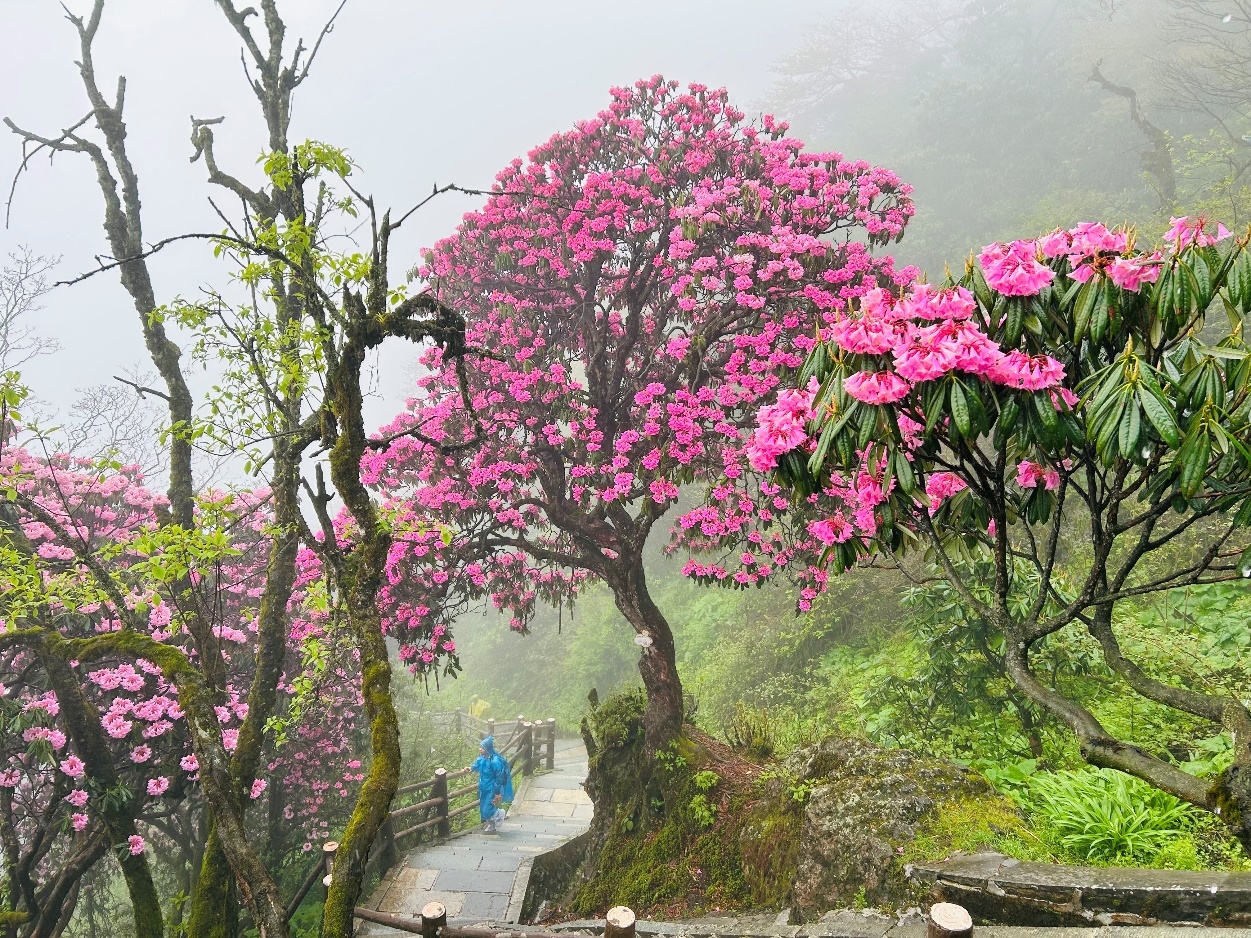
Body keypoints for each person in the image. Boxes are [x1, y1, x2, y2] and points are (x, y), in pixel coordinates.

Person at [471, 735, 514, 833]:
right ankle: (492, 825)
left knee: (488, 808)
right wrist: (469, 769)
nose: (480, 749)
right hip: (483, 787)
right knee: (484, 807)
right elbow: (476, 765)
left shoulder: (495, 761)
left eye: (482, 747)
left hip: (491, 788)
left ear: (487, 748)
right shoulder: (482, 758)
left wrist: (497, 792)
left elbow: (499, 777)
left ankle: (499, 813)